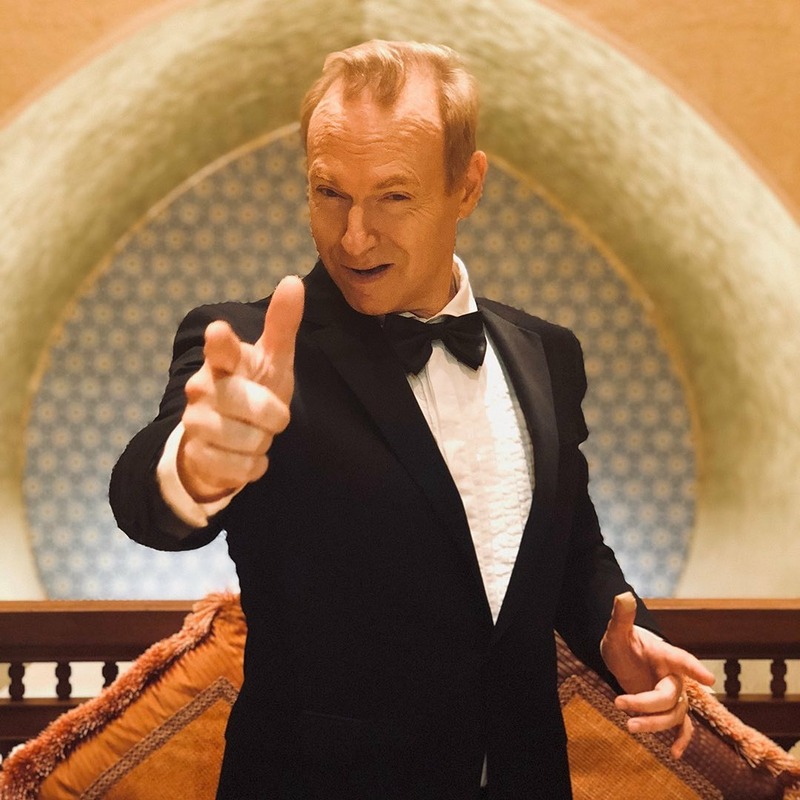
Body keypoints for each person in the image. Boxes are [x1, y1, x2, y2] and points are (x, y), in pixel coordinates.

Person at [110, 40, 714, 799]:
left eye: (394, 197)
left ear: (468, 185)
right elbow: (144, 500)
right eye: (329, 192)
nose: (354, 235)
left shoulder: (547, 353)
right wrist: (194, 466)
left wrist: (617, 633)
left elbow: (568, 550)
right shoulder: (254, 348)